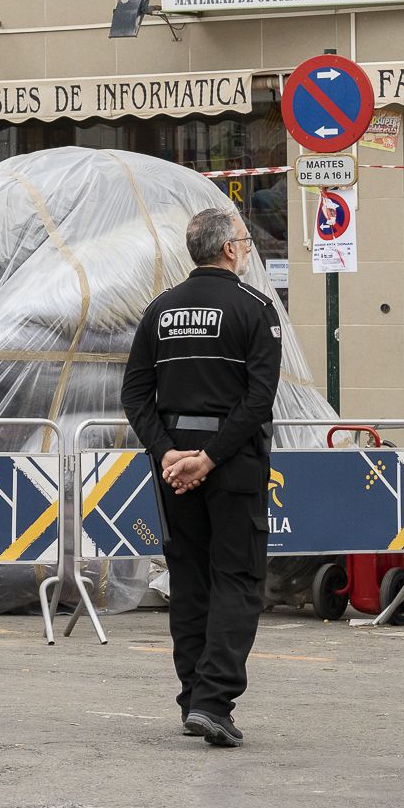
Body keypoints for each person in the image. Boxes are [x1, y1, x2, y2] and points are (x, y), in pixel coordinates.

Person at [120, 208, 282, 748]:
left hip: (173, 465)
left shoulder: (160, 310)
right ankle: (212, 702)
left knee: (190, 579)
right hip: (231, 462)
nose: (249, 249)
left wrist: (169, 453)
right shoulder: (257, 309)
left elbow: (135, 395)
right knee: (236, 578)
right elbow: (259, 400)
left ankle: (195, 697)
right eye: (245, 241)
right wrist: (209, 458)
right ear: (231, 250)